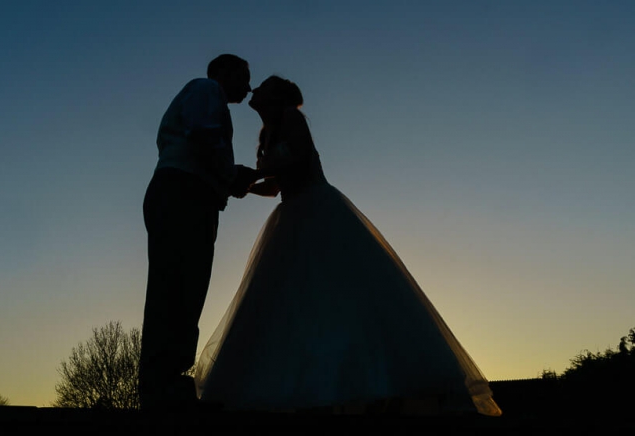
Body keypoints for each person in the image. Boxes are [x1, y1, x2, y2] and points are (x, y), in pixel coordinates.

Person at [194, 75, 502, 416]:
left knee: (342, 296)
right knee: (292, 302)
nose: (255, 89)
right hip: (292, 213)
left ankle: (375, 387)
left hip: (317, 210)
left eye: (264, 86)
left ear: (277, 97)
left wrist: (249, 174)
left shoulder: (292, 118)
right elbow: (275, 187)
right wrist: (245, 184)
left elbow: (298, 157)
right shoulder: (267, 134)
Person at [139, 54, 261, 411]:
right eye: (244, 76)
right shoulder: (206, 89)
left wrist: (228, 178)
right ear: (224, 71)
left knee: (183, 286)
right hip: (183, 194)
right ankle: (162, 381)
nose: (248, 87)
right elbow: (204, 135)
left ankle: (167, 376)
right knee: (178, 285)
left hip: (189, 195)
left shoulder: (205, 96)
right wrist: (231, 174)